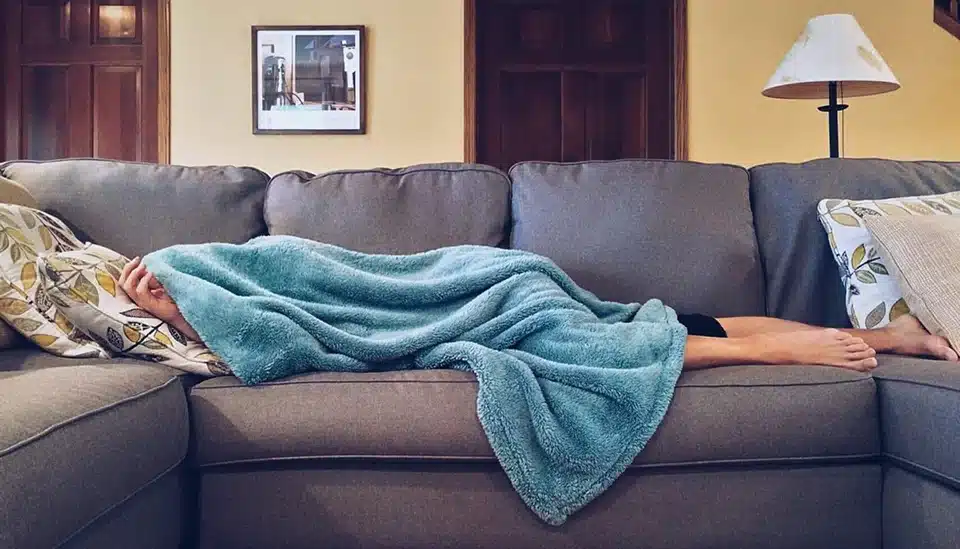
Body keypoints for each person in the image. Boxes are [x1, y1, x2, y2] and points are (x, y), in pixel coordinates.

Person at [118, 256, 959, 373]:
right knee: (669, 320)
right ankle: (894, 334)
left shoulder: (225, 268)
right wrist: (184, 312)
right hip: (510, 284)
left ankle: (791, 352)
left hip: (503, 287)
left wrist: (183, 305)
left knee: (606, 342)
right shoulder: (213, 286)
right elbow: (287, 331)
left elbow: (292, 319)